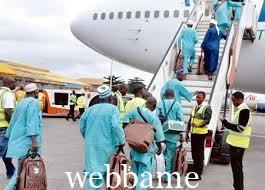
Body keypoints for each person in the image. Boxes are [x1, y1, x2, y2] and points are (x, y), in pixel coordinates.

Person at [80, 85, 125, 190]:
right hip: (108, 148)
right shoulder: (113, 109)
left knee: (93, 176)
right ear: (110, 98)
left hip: (91, 148)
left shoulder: (89, 110)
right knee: (110, 176)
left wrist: (88, 138)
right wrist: (121, 141)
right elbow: (116, 127)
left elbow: (82, 127)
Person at [4, 83, 43, 190]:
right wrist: (34, 142)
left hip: (19, 141)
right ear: (35, 92)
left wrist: (8, 135)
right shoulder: (33, 102)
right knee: (22, 171)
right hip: (28, 142)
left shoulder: (21, 102)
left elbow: (13, 120)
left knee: (21, 169)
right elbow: (31, 122)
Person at [124, 97, 164, 190]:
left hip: (134, 146)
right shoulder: (154, 118)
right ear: (154, 106)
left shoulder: (134, 111)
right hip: (146, 149)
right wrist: (159, 148)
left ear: (146, 104)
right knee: (144, 173)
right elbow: (159, 137)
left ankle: (134, 187)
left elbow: (125, 122)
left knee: (135, 171)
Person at [220, 91, 252, 190]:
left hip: (238, 145)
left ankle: (238, 188)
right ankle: (237, 187)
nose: (232, 102)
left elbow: (240, 128)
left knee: (237, 169)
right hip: (236, 143)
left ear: (240, 99)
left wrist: (225, 123)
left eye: (234, 100)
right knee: (236, 169)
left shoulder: (244, 110)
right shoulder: (240, 110)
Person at [156, 89, 183, 182]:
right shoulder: (177, 104)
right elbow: (180, 119)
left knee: (161, 155)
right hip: (173, 134)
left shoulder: (160, 103)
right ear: (173, 95)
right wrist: (181, 134)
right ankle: (167, 177)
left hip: (161, 133)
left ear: (165, 95)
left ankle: (161, 175)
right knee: (170, 156)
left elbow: (156, 117)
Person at [186, 91, 212, 180]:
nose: (197, 99)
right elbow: (191, 119)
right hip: (194, 133)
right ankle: (194, 173)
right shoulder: (195, 107)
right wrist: (187, 131)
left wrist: (199, 125)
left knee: (199, 155)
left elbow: (207, 120)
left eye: (199, 97)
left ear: (204, 98)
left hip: (201, 134)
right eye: (197, 97)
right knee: (194, 154)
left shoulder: (207, 107)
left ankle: (198, 174)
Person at [0, 77, 16, 179]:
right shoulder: (8, 94)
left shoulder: (1, 93)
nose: (15, 84)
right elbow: (7, 110)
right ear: (9, 83)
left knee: (6, 151)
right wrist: (12, 124)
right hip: (4, 127)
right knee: (2, 149)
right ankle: (11, 172)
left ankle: (11, 172)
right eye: (14, 82)